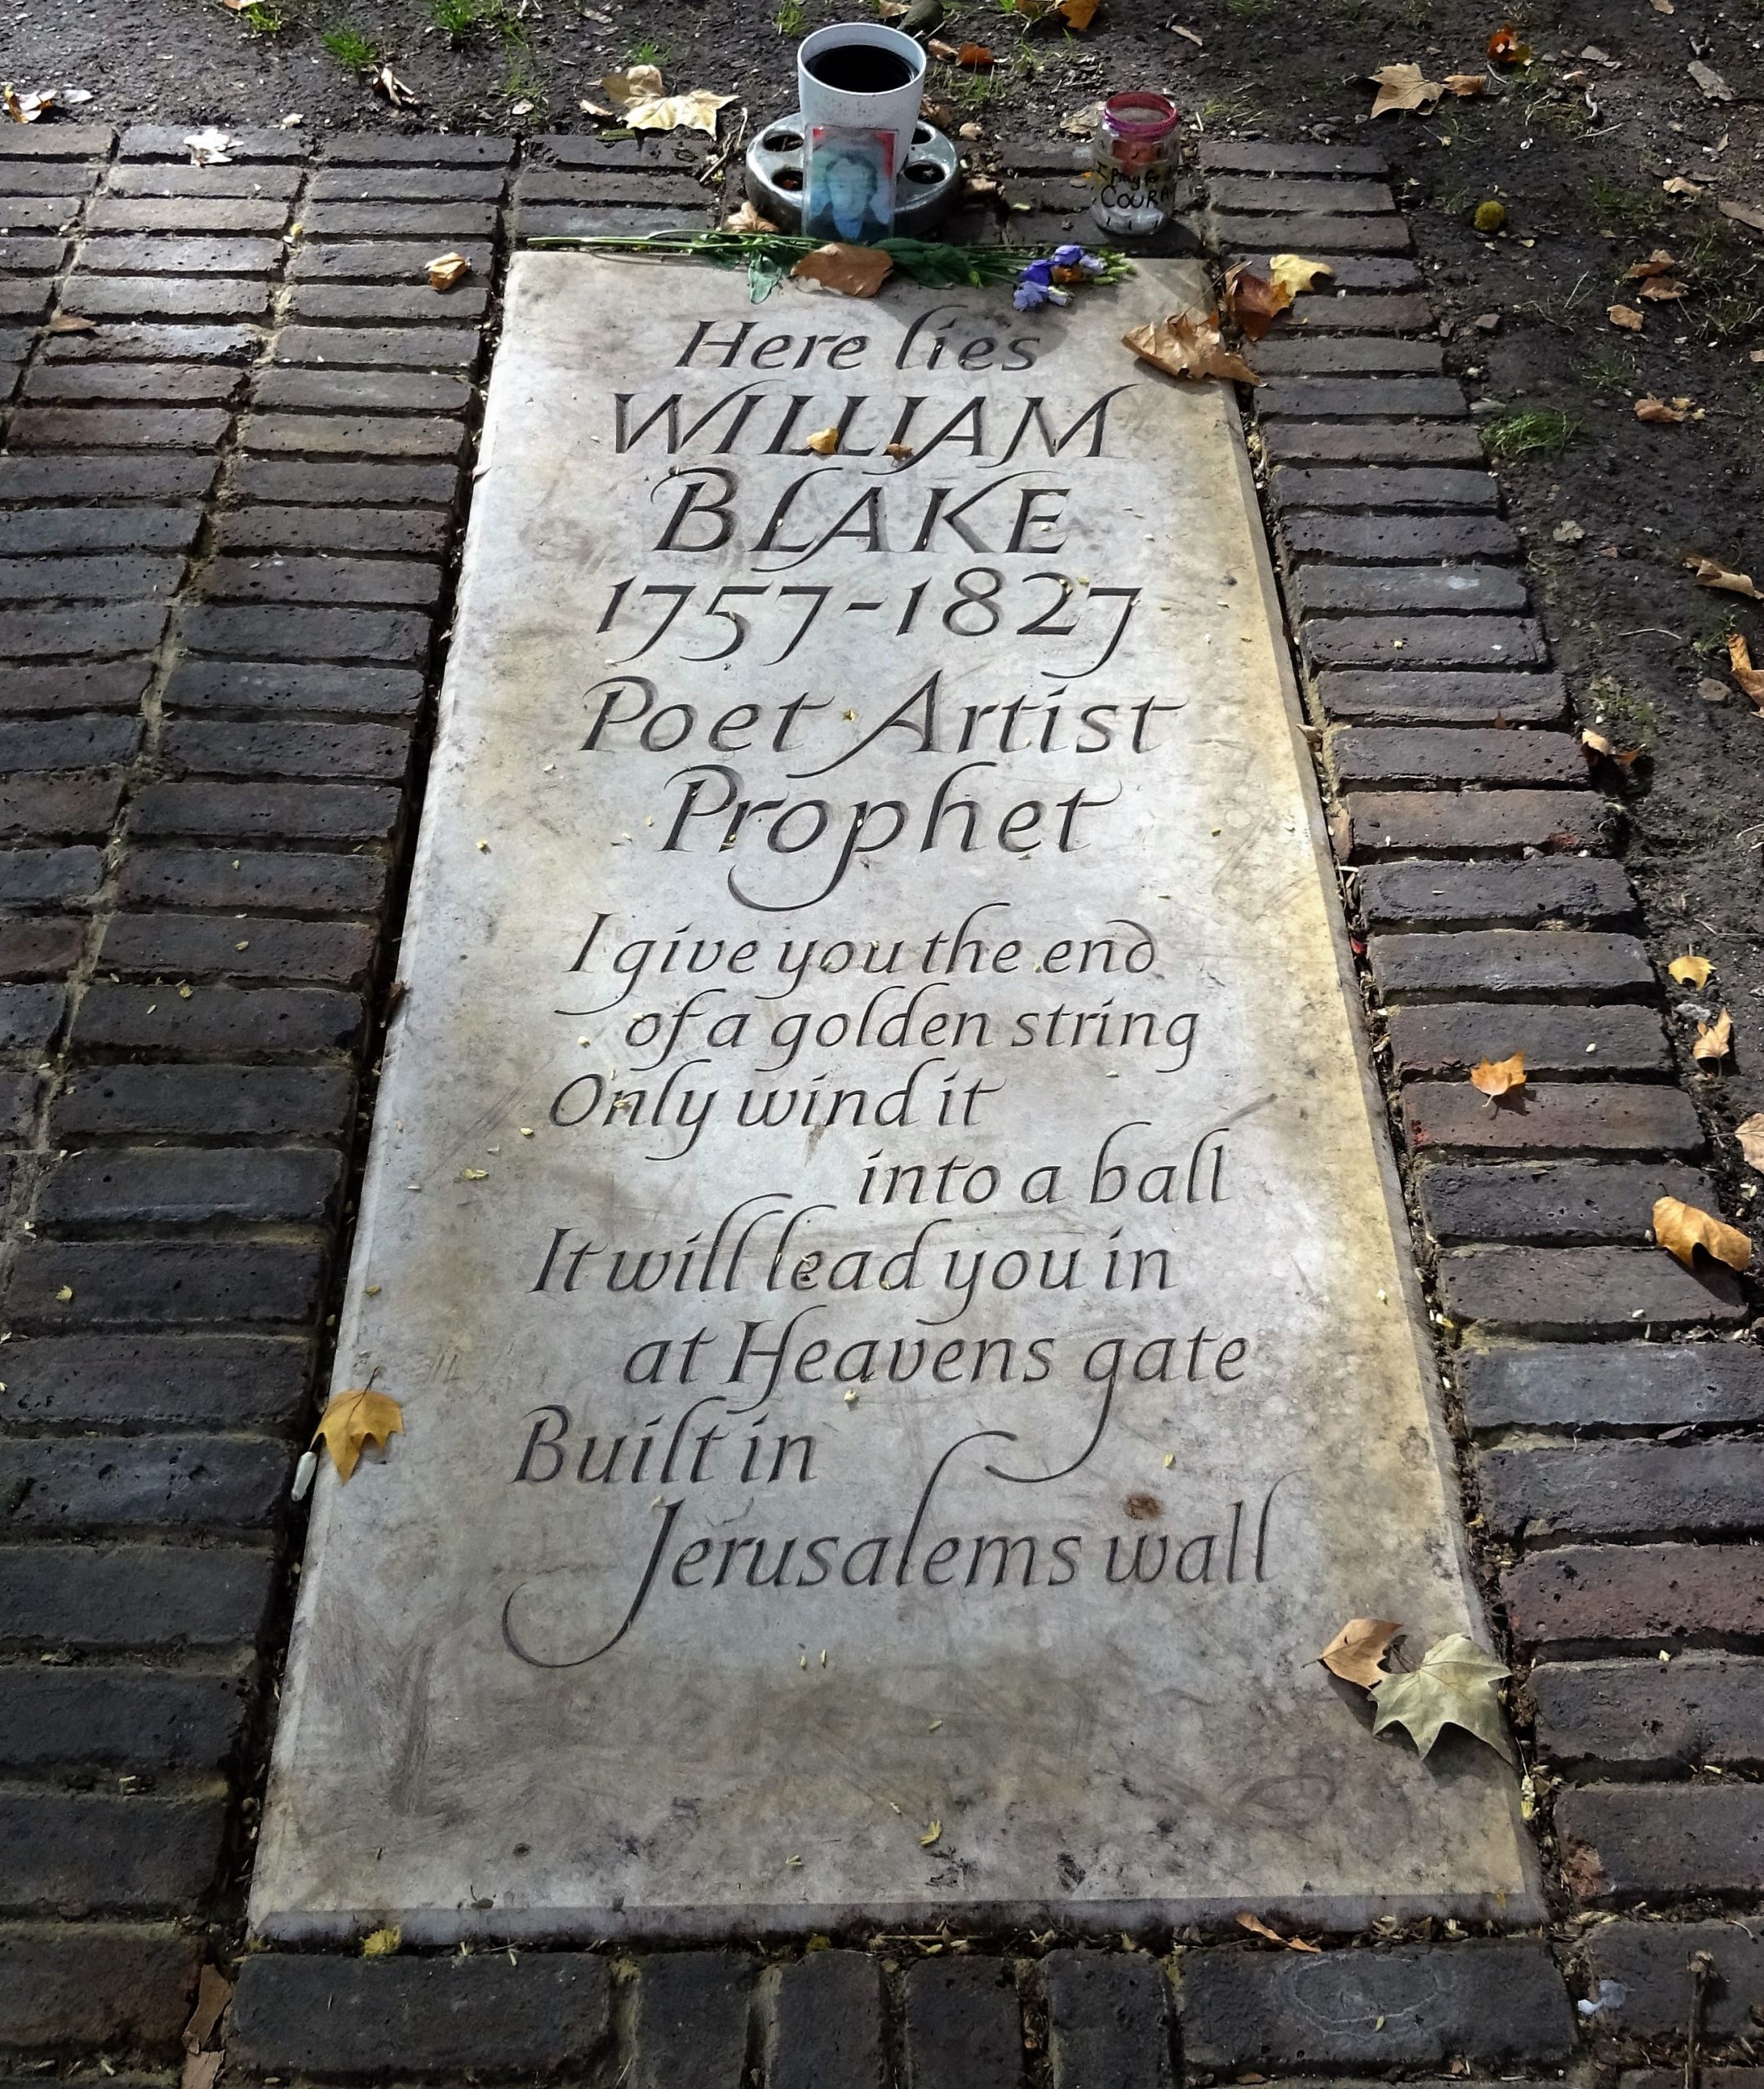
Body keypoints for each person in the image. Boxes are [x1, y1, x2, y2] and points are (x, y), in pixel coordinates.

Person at [807, 137, 893, 245]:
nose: (850, 197)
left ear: (871, 193)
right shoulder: (815, 229)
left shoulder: (881, 232)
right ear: (829, 189)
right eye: (841, 186)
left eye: (860, 188)